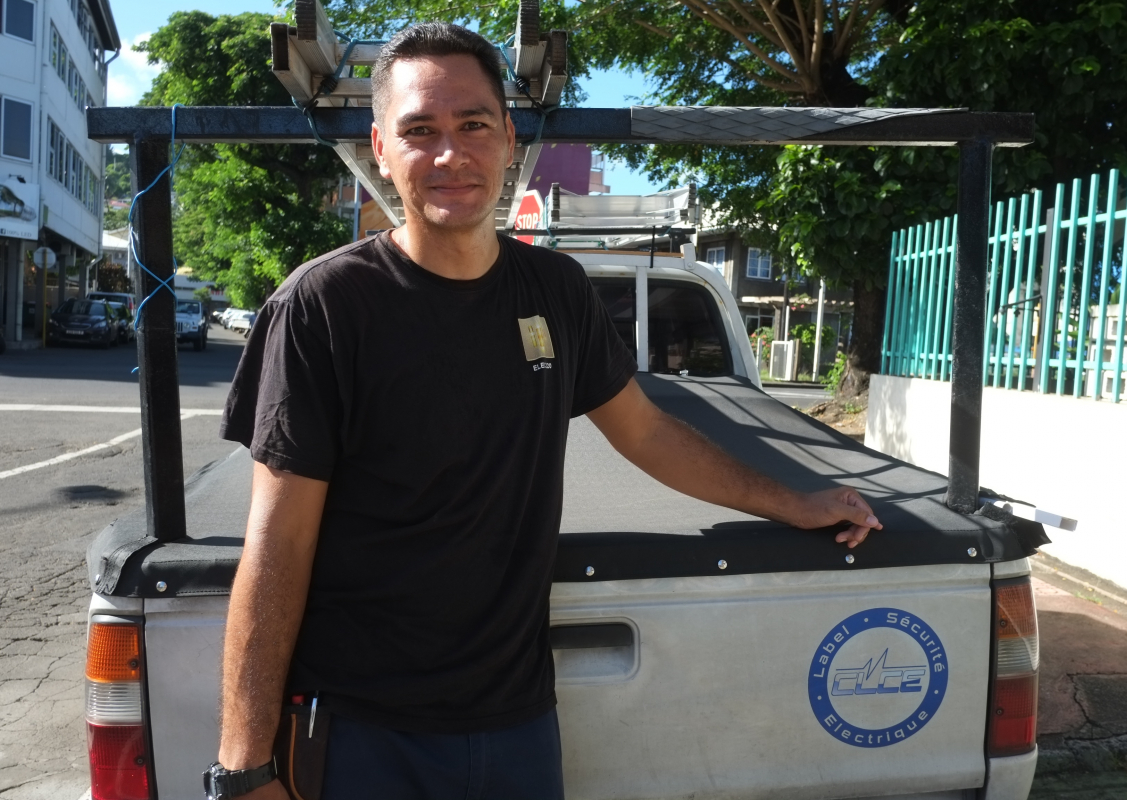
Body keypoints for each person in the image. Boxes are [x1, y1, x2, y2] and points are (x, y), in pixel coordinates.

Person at [211, 22, 882, 800]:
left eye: (473, 125)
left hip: (517, 723)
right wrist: (244, 764)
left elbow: (650, 432)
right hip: (362, 729)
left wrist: (795, 502)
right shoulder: (323, 306)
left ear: (508, 139)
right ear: (380, 150)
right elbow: (277, 542)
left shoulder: (555, 293)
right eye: (419, 131)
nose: (449, 153)